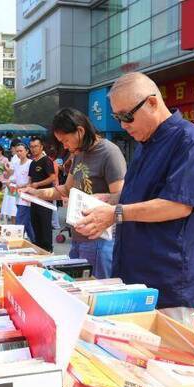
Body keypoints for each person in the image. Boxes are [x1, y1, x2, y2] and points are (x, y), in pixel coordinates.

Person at [75, 72, 194, 327]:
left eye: (127, 116)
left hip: (166, 280)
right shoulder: (146, 142)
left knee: (167, 358)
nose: (123, 125)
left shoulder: (188, 140)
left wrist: (116, 212)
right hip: (132, 272)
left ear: (152, 102)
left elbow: (179, 205)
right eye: (118, 118)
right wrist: (111, 198)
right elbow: (143, 194)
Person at [21, 108, 126, 278]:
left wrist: (97, 201)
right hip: (78, 236)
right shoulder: (78, 155)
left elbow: (122, 196)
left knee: (95, 291)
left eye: (66, 140)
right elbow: (67, 189)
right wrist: (35, 193)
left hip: (99, 239)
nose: (65, 146)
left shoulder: (109, 153)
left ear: (80, 131)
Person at [27, 136, 56, 252]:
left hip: (45, 199)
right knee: (35, 223)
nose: (33, 149)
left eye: (36, 146)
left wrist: (38, 184)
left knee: (45, 224)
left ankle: (48, 249)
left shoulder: (46, 161)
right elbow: (30, 180)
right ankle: (39, 248)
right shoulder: (32, 163)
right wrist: (26, 188)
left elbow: (53, 177)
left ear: (41, 147)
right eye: (31, 147)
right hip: (34, 199)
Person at [8, 143, 35, 242]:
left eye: (21, 151)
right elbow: (15, 177)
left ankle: (17, 241)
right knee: (26, 222)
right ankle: (35, 241)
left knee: (20, 220)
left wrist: (21, 186)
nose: (19, 153)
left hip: (27, 196)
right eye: (17, 151)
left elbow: (31, 181)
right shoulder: (16, 164)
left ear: (27, 151)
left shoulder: (30, 163)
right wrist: (9, 182)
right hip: (18, 195)